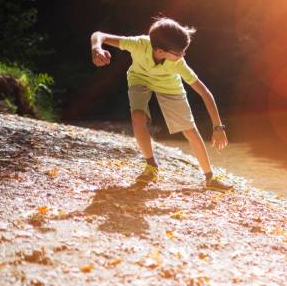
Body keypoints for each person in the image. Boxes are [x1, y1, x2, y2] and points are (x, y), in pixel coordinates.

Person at [90, 16, 233, 192]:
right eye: (179, 53)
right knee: (137, 116)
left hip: (169, 85)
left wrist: (218, 127)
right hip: (139, 78)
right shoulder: (139, 44)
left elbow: (205, 92)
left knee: (189, 129)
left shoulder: (178, 64)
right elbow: (99, 35)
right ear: (159, 51)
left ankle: (210, 177)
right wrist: (97, 48)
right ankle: (151, 166)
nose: (183, 55)